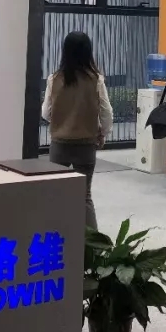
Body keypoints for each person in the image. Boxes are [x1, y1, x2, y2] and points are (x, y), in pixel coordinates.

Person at [41, 31, 113, 230]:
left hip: (59, 144)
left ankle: (58, 236)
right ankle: (93, 242)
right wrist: (103, 132)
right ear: (88, 52)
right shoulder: (96, 80)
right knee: (84, 196)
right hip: (86, 144)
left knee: (57, 193)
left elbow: (46, 113)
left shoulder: (54, 79)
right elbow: (106, 112)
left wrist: (62, 120)